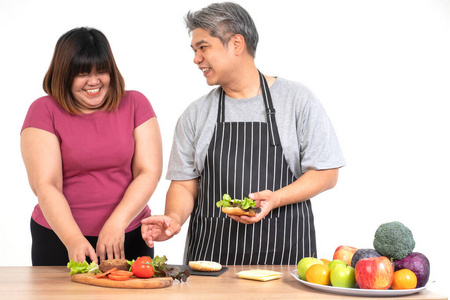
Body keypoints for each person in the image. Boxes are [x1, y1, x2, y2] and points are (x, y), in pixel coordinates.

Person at [141, 2, 345, 265]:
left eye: (203, 47)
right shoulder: (196, 113)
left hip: (285, 259)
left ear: (237, 44)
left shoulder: (296, 100)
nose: (196, 59)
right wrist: (173, 218)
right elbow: (184, 183)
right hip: (212, 261)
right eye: (194, 50)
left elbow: (327, 174)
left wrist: (276, 198)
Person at [20, 27, 162, 266]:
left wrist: (117, 223)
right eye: (82, 73)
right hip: (60, 237)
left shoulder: (136, 103)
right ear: (64, 74)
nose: (94, 81)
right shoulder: (43, 110)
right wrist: (73, 239)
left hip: (128, 234)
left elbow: (148, 173)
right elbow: (46, 185)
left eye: (102, 71)